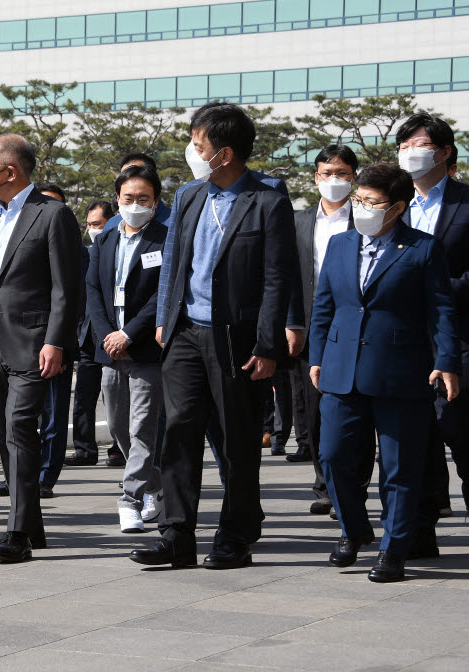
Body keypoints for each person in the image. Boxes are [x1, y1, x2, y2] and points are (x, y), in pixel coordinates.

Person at [131, 103, 299, 569]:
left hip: (237, 338)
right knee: (179, 434)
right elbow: (175, 261)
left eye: (199, 144)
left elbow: (277, 278)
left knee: (236, 439)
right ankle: (176, 534)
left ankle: (236, 534)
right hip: (185, 332)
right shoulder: (188, 195)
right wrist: (166, 315)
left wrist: (268, 345)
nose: (192, 151)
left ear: (224, 153)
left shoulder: (268, 199)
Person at [309, 162, 460, 582]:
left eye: (371, 203)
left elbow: (441, 311)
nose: (361, 208)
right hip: (341, 370)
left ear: (396, 208)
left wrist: (446, 360)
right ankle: (354, 532)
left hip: (400, 373)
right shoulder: (341, 244)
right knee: (333, 456)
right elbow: (324, 306)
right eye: (358, 200)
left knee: (400, 468)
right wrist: (317, 356)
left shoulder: (422, 248)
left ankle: (394, 550)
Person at [0, 134, 80, 563]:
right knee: (4, 435)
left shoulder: (53, 214)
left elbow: (66, 287)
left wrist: (55, 340)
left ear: (8, 171)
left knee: (20, 429)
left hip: (33, 345)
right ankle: (32, 523)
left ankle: (17, 533)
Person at [393, 115, 469, 558]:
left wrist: (442, 290)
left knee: (460, 427)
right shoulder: (394, 202)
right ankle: (423, 526)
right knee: (416, 431)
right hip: (404, 337)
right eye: (402, 145)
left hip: (456, 334)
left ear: (443, 152)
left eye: (416, 144)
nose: (408, 152)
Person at [286, 145, 379, 518]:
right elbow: (287, 276)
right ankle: (325, 485)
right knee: (314, 412)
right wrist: (291, 322)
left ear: (354, 177)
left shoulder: (367, 218)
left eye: (341, 173)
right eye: (326, 173)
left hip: (357, 327)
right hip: (311, 329)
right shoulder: (299, 221)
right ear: (315, 177)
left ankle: (353, 488)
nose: (333, 180)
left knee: (355, 412)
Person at [86, 164, 168, 532]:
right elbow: (93, 292)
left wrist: (129, 333)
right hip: (110, 348)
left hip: (146, 349)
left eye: (143, 198)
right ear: (117, 199)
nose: (135, 204)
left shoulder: (166, 239)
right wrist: (108, 335)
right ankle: (156, 485)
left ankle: (130, 497)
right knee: (119, 427)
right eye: (128, 198)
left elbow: (161, 296)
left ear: (156, 201)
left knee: (142, 428)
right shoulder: (103, 240)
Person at [65, 200, 118, 467]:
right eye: (89, 224)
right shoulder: (86, 252)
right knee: (84, 395)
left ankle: (119, 449)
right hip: (87, 336)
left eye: (97, 224)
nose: (92, 229)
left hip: (113, 336)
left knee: (116, 395)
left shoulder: (120, 249)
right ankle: (85, 450)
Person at [32, 183, 76, 498]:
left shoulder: (71, 248)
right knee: (22, 417)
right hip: (21, 342)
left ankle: (47, 474)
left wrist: (61, 342)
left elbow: (74, 299)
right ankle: (21, 474)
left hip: (56, 342)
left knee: (53, 414)